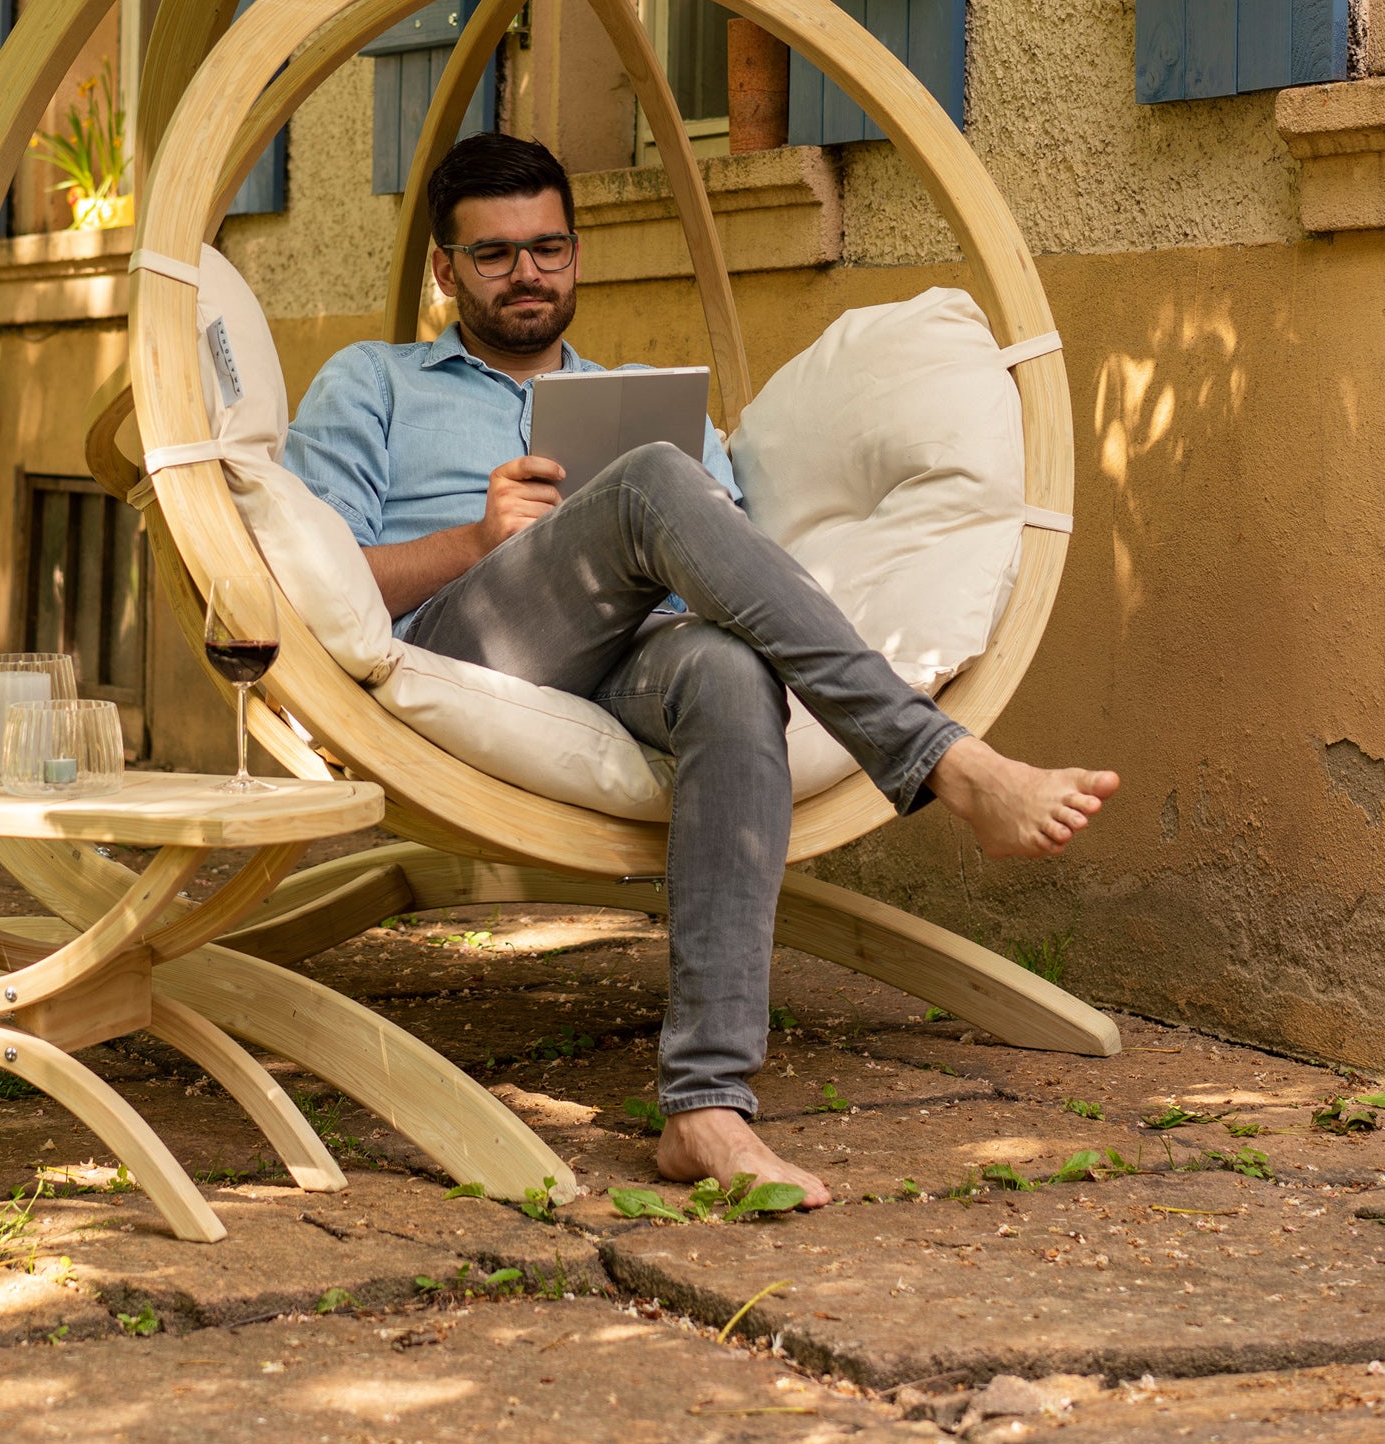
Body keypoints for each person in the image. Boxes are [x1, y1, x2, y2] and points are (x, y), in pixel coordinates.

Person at [283, 132, 1118, 1206]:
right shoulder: (372, 381)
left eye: (547, 248)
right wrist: (471, 541)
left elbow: (731, 563)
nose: (526, 273)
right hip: (463, 638)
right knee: (649, 484)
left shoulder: (644, 401)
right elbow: (318, 578)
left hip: (629, 648)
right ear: (445, 270)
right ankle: (935, 757)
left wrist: (674, 580)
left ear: (576, 253)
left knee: (726, 665)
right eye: (493, 255)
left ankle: (705, 1108)